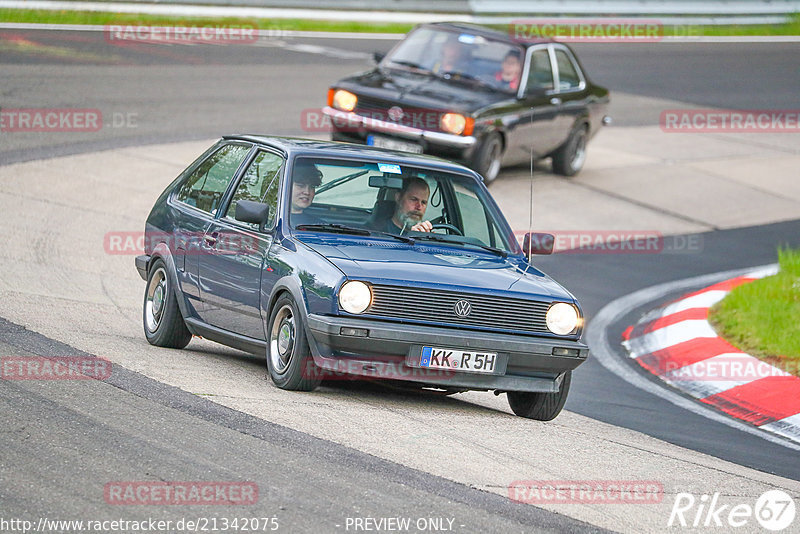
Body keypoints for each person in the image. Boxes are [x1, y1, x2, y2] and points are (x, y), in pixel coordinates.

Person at [290, 160, 324, 226]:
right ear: (286, 185)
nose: (307, 192)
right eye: (300, 186)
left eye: (312, 187)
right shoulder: (270, 221)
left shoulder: (320, 226)